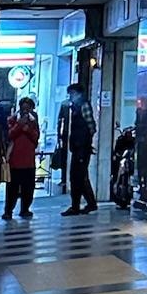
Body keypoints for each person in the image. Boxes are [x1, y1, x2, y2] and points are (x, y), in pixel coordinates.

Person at [58, 83, 97, 214]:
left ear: (77, 93)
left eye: (71, 93)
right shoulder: (74, 107)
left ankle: (77, 206)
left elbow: (91, 125)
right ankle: (89, 203)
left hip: (81, 148)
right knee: (79, 176)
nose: (70, 96)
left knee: (78, 177)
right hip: (77, 147)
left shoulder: (83, 105)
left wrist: (85, 141)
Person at [2, 96, 40, 219]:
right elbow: (10, 134)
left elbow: (36, 137)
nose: (26, 111)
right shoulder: (13, 119)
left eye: (28, 108)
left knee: (28, 188)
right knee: (12, 188)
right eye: (24, 108)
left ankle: (25, 209)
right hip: (15, 160)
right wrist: (19, 125)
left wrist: (27, 128)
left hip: (29, 161)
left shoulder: (33, 120)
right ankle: (8, 211)